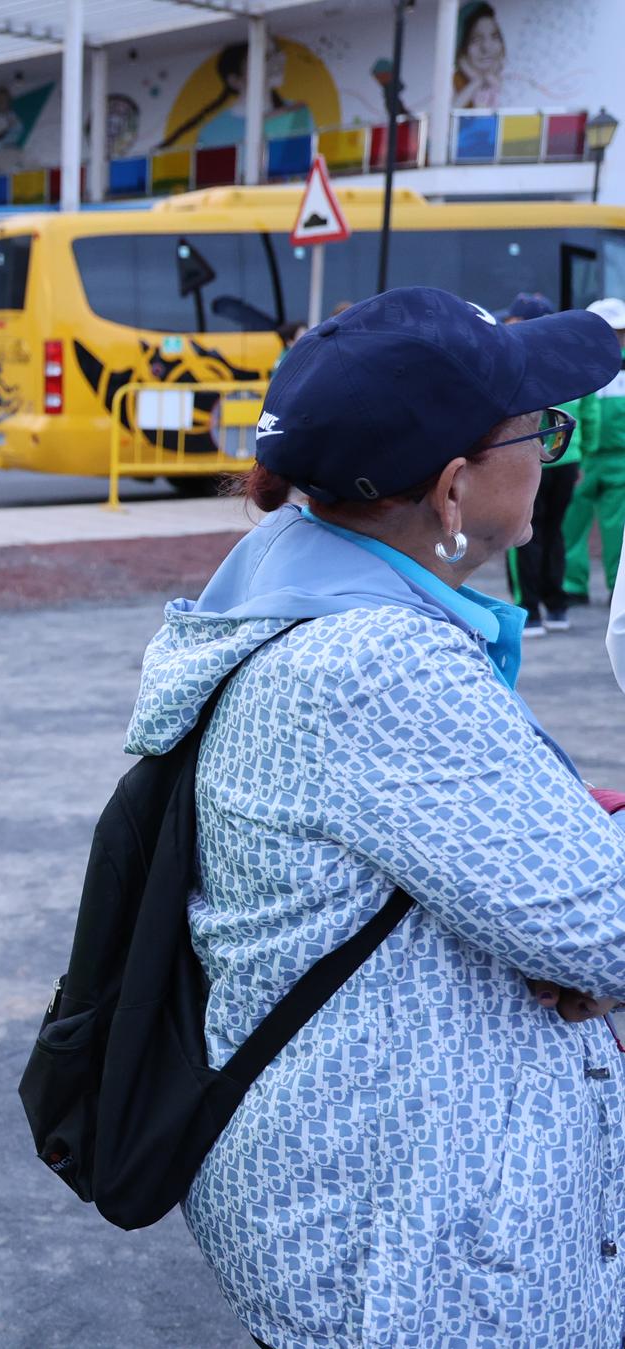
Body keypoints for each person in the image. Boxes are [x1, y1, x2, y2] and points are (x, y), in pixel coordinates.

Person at [129, 288, 625, 1347]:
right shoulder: (375, 663)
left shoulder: (297, 588)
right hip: (413, 1254)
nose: (549, 448)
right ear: (452, 488)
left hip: (361, 1194)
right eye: (537, 427)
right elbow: (606, 922)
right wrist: (573, 921)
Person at [498, 293, 582, 635]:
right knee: (554, 533)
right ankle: (557, 607)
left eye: (512, 319)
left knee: (522, 537)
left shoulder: (514, 358)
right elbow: (585, 413)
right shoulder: (568, 359)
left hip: (528, 458)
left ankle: (529, 610)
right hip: (567, 457)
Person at [561, 296, 625, 607]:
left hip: (619, 458)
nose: (617, 337)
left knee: (618, 529)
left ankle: (618, 586)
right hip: (582, 456)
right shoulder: (575, 363)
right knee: (571, 522)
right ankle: (572, 584)